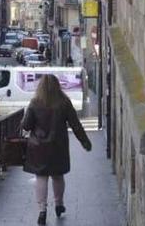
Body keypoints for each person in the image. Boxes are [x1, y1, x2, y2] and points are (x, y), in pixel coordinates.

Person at [22, 74, 92, 224]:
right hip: (58, 146)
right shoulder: (64, 102)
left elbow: (26, 125)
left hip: (38, 147)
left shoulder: (35, 103)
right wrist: (85, 142)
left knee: (41, 177)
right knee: (58, 176)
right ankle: (59, 204)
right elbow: (76, 124)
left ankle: (42, 210)